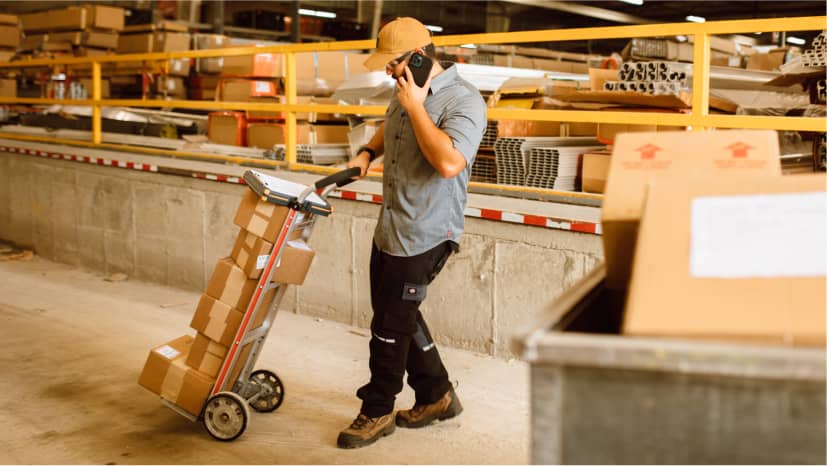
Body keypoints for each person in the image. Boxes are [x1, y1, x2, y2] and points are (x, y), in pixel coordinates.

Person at [337, 17, 487, 449]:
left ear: (419, 57)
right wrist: (367, 152)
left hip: (426, 231)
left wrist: (418, 106)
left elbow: (449, 163)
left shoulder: (464, 100)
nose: (388, 72)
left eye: (393, 63)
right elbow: (392, 124)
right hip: (392, 226)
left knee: (389, 325)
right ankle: (437, 395)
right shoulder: (404, 90)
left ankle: (377, 409)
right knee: (399, 314)